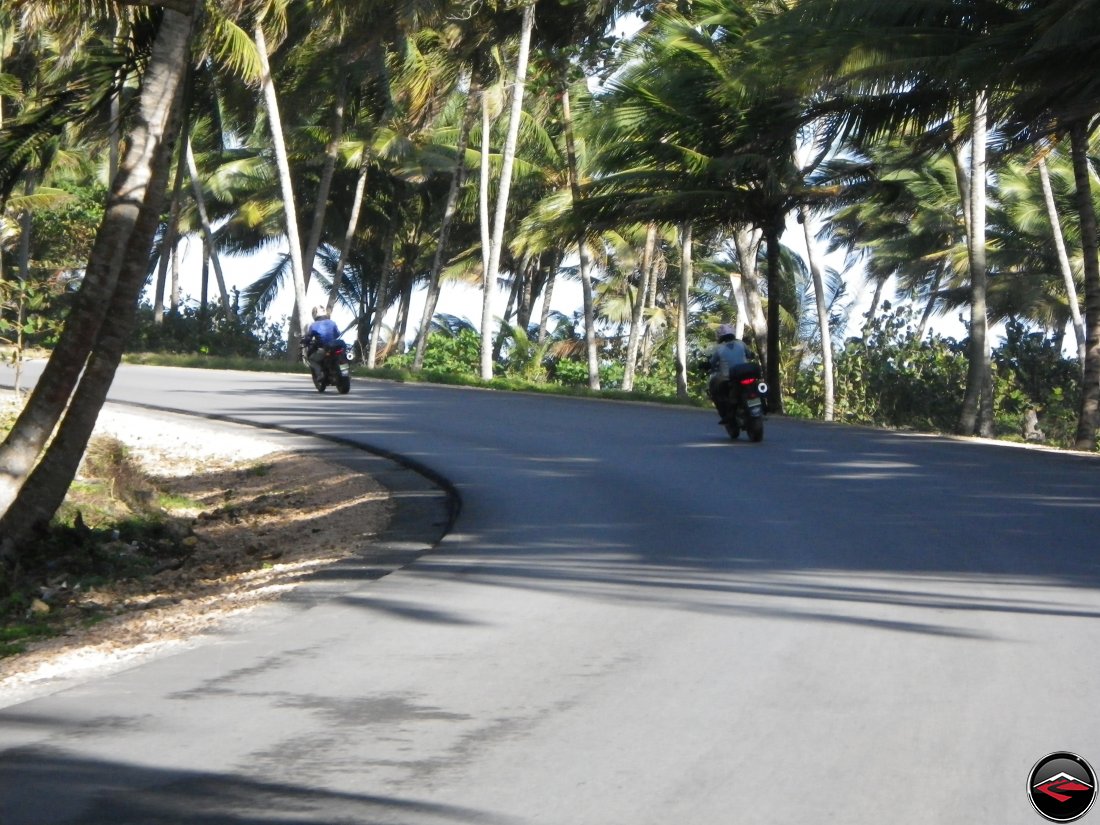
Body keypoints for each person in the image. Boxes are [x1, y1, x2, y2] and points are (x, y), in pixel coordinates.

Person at [708, 323, 748, 420]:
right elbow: (750, 354)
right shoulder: (741, 344)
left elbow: (712, 363)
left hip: (728, 378)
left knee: (713, 385)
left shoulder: (720, 349)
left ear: (720, 337)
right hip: (745, 374)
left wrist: (707, 365)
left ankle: (724, 412)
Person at [302, 306, 340, 384]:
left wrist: (305, 341)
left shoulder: (314, 325)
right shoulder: (332, 322)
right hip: (335, 347)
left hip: (324, 349)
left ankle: (320, 374)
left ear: (315, 314)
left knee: (311, 359)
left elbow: (308, 337)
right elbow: (337, 334)